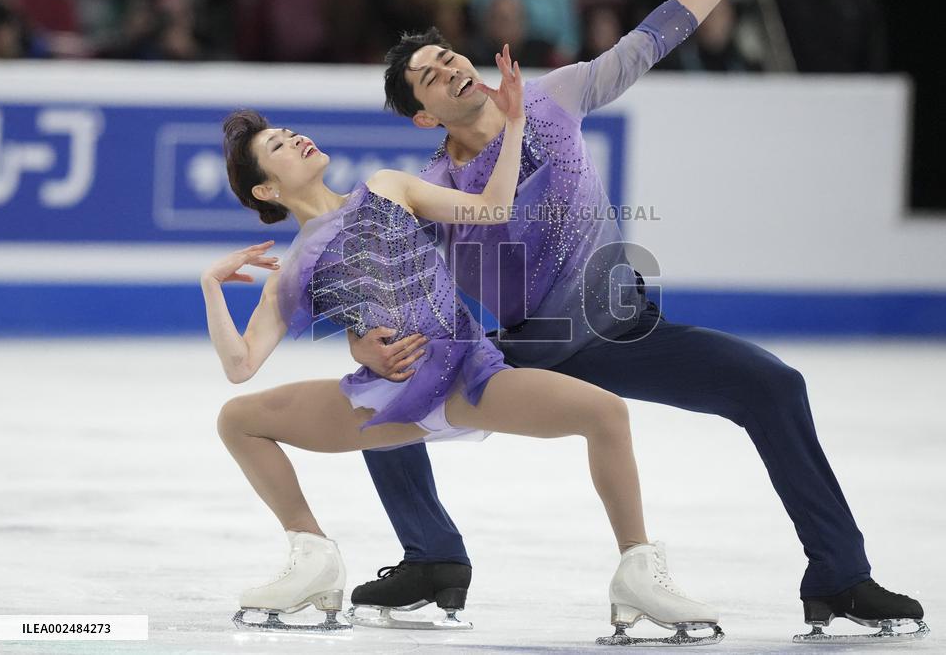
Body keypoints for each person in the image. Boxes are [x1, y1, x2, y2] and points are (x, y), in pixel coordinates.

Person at [353, 0, 927, 642]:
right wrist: (372, 330)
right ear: (421, 115)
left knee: (773, 386)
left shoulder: (557, 96)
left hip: (625, 329)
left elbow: (650, 39)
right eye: (429, 77)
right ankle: (432, 556)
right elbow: (387, 264)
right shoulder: (435, 183)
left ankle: (839, 575)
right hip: (530, 349)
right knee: (388, 386)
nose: (450, 69)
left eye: (447, 56)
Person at [203, 46, 721, 643]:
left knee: (604, 413)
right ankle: (312, 556)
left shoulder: (388, 188)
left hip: (462, 379)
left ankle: (637, 572)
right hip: (385, 402)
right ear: (267, 191)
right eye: (277, 147)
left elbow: (493, 208)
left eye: (292, 133)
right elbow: (240, 366)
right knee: (238, 419)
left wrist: (518, 120)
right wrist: (211, 286)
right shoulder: (293, 269)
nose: (296, 141)